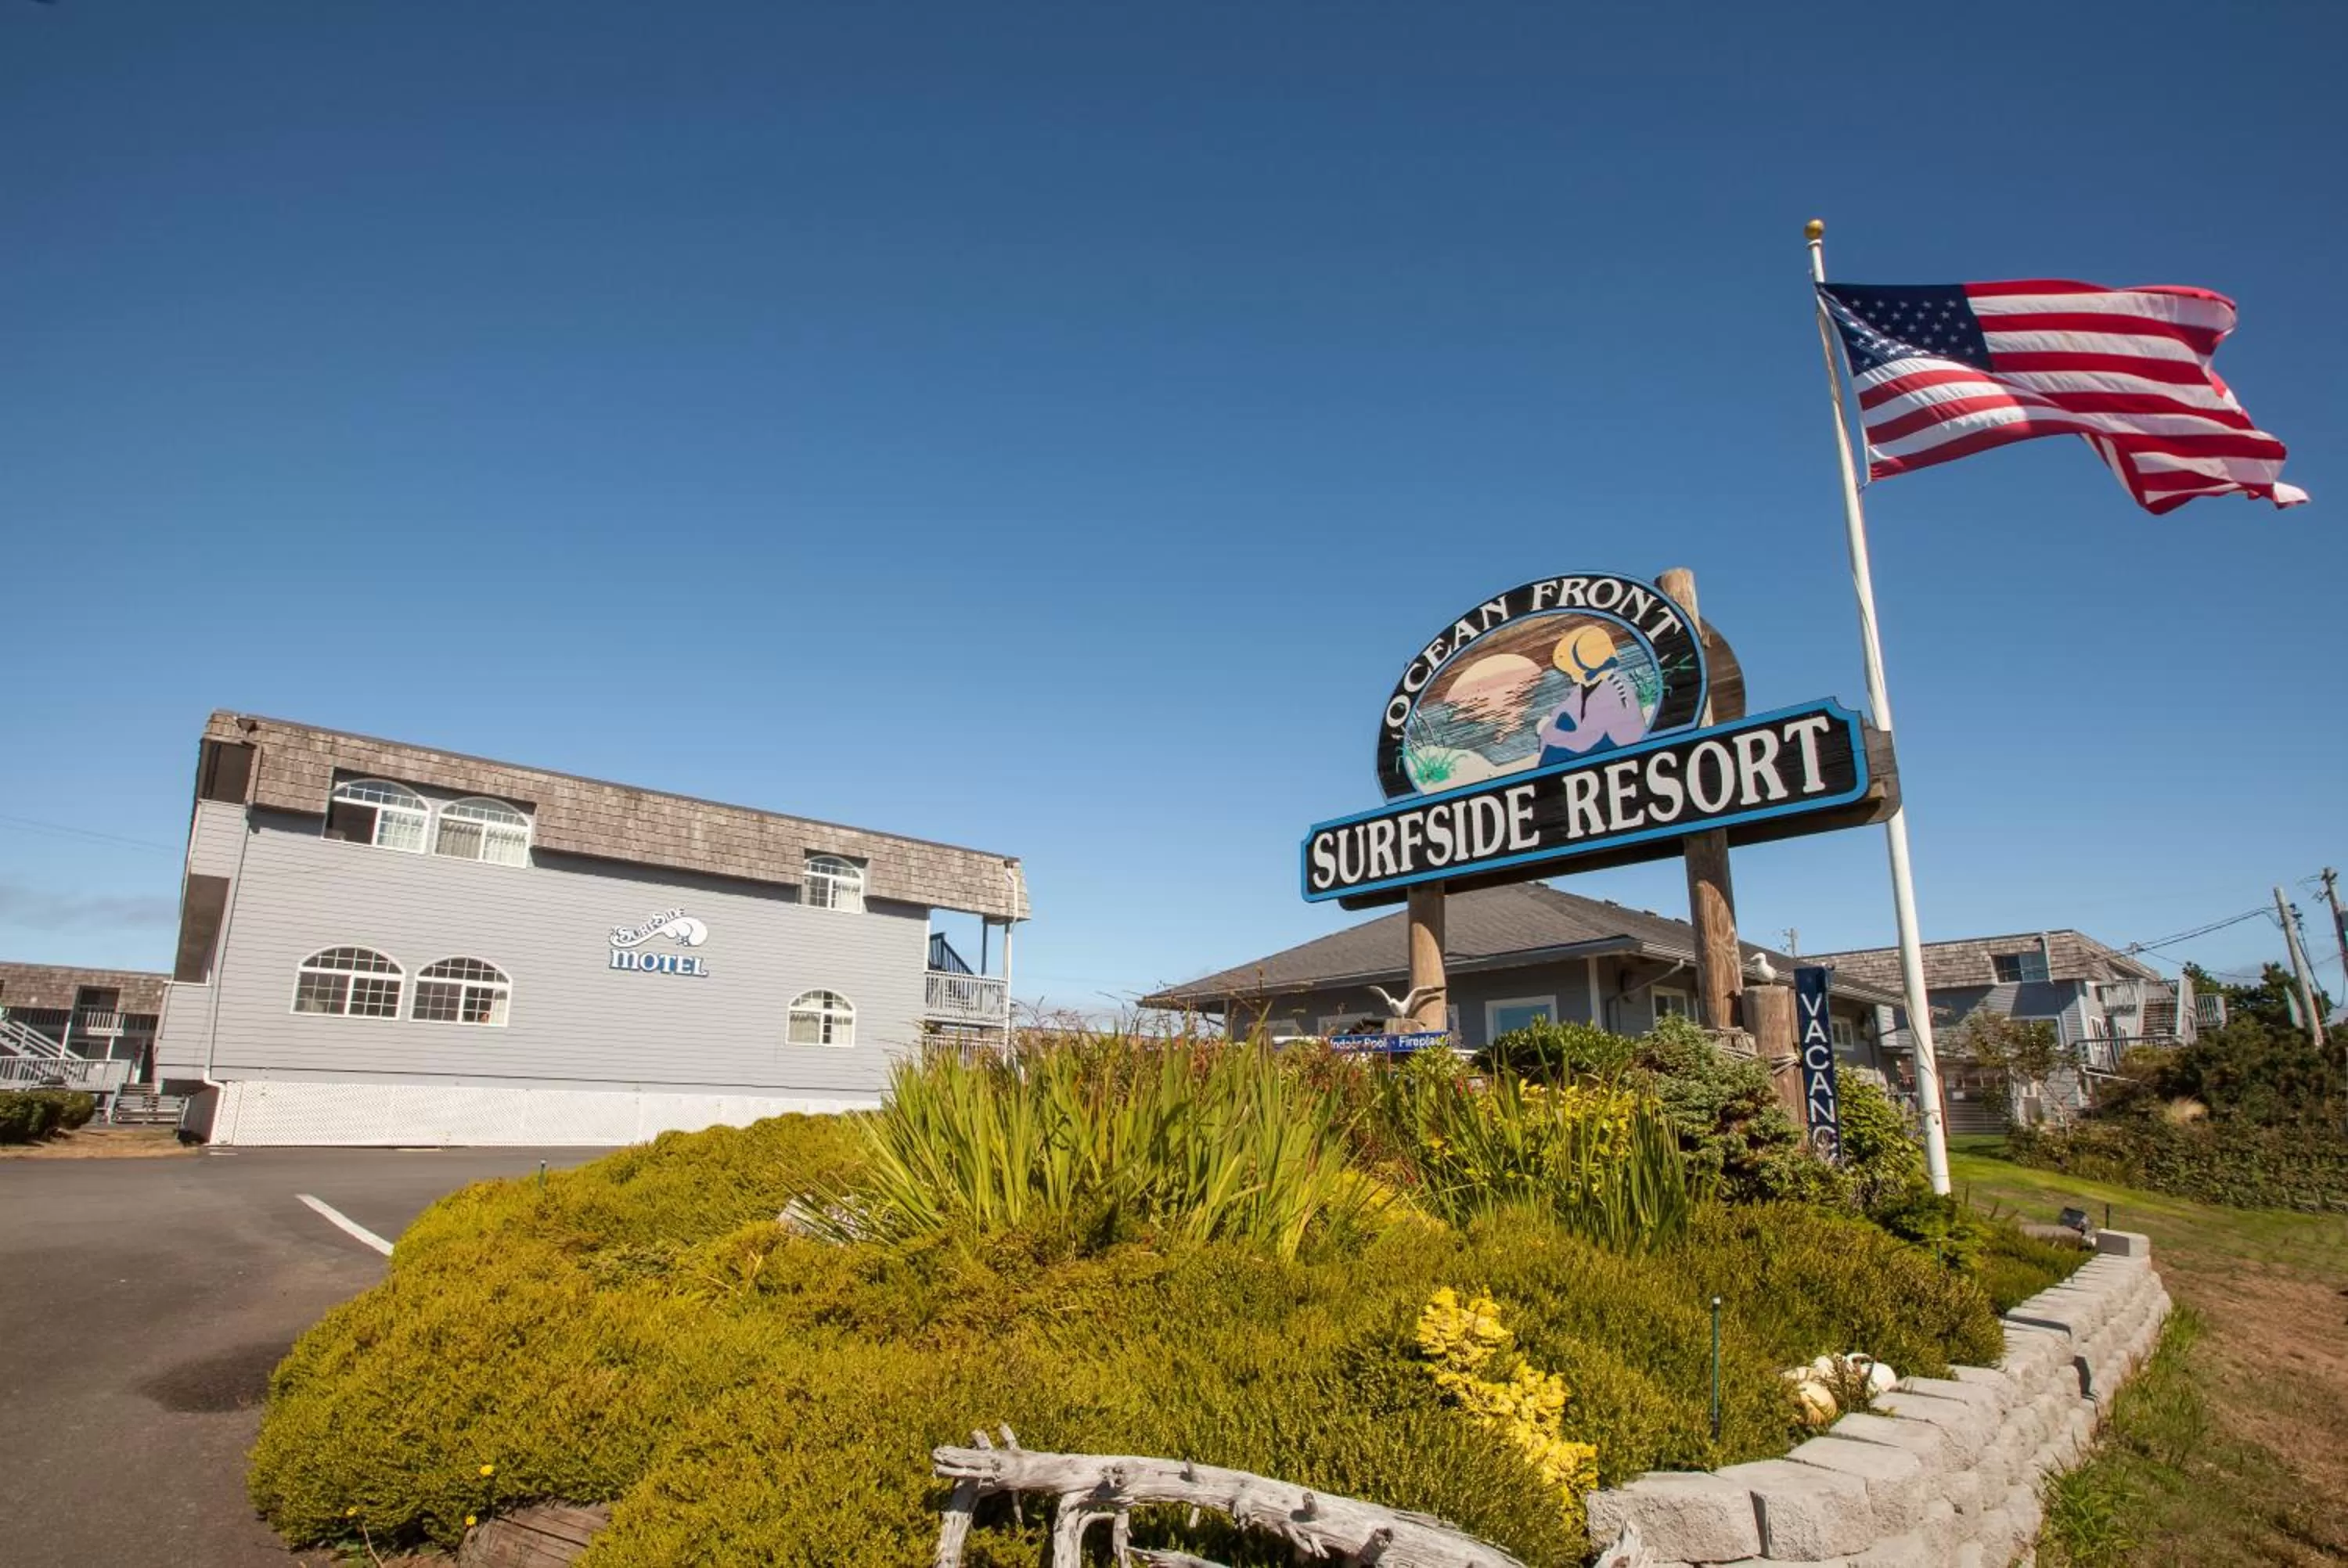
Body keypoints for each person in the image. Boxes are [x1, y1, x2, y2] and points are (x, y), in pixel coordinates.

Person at [1535, 624, 1648, 764]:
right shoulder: (1585, 686)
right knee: (1559, 731)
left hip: (1616, 748)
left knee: (1555, 751)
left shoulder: (1612, 690)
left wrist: (1549, 732)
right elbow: (1567, 707)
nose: (1572, 678)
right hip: (1594, 740)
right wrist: (1552, 721)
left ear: (1590, 667)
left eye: (1574, 673)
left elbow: (1587, 738)